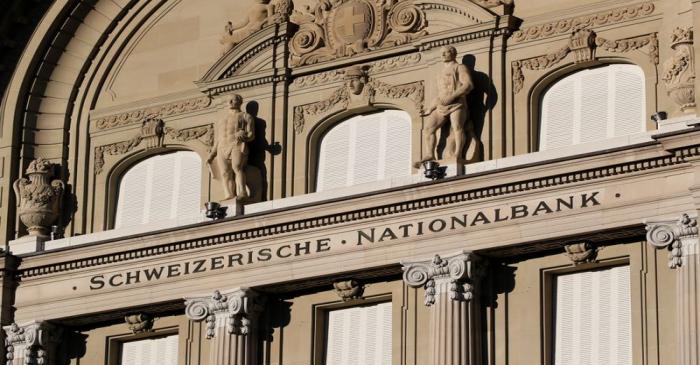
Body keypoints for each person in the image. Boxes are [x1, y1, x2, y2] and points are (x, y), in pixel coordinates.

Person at [420, 45, 478, 163]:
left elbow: (468, 85)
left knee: (457, 127)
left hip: (457, 104)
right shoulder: (439, 73)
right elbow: (441, 94)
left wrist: (452, 97)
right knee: (428, 129)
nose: (443, 55)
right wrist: (430, 108)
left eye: (446, 52)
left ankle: (458, 153)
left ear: (453, 54)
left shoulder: (460, 67)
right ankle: (430, 154)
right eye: (442, 53)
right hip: (441, 105)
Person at [208, 94, 255, 201]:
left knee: (237, 168)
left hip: (236, 144)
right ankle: (229, 194)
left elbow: (252, 135)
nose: (229, 102)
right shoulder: (222, 119)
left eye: (232, 100)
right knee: (225, 173)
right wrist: (212, 154)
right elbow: (219, 139)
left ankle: (242, 192)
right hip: (222, 148)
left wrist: (244, 136)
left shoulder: (245, 116)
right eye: (228, 100)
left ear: (239, 102)